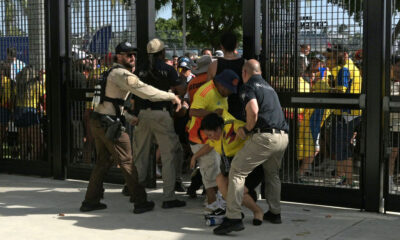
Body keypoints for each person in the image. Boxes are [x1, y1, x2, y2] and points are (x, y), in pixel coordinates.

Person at [80, 41, 182, 214]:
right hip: (109, 123)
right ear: (118, 56)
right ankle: (140, 200)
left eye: (133, 54)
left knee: (103, 162)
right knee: (128, 161)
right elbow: (144, 90)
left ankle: (91, 201)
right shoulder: (121, 74)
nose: (132, 57)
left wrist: (127, 116)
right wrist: (171, 96)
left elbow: (108, 100)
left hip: (99, 120)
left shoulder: (109, 73)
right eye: (128, 54)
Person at [213, 60, 289, 235]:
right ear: (259, 71)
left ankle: (232, 218)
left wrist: (246, 129)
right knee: (272, 175)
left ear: (245, 73)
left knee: (236, 171)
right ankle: (275, 213)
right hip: (282, 136)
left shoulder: (248, 87)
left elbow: (253, 111)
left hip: (264, 136)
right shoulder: (269, 88)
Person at [133, 38, 186, 209]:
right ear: (162, 53)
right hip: (161, 114)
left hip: (142, 114)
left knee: (140, 156)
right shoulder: (168, 69)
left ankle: (137, 194)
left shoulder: (140, 70)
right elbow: (181, 89)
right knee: (168, 155)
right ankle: (169, 197)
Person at [192, 113, 264, 225]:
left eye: (210, 134)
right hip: (234, 170)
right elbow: (208, 146)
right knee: (220, 179)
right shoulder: (215, 139)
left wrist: (242, 132)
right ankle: (234, 212)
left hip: (250, 167)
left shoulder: (231, 127)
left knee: (238, 190)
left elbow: (244, 129)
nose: (210, 138)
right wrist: (195, 156)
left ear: (218, 128)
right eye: (208, 136)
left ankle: (257, 212)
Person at [187, 69, 239, 212]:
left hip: (213, 140)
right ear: (221, 85)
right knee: (212, 175)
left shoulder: (222, 92)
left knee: (215, 172)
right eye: (228, 89)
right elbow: (192, 111)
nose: (229, 93)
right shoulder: (206, 92)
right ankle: (212, 206)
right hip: (202, 139)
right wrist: (213, 113)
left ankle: (214, 203)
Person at [207, 32, 246, 121]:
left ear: (221, 46)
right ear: (236, 45)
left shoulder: (214, 65)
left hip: (220, 110)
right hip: (240, 108)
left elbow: (208, 89)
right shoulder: (245, 64)